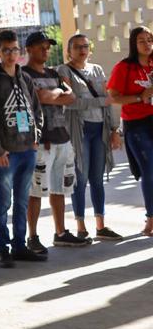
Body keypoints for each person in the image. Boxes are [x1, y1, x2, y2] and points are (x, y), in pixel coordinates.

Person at [0, 30, 45, 267]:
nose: (11, 54)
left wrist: (36, 136)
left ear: (20, 51)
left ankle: (19, 245)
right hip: (6, 152)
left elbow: (36, 110)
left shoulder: (25, 78)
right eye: (6, 50)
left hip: (28, 148)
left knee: (22, 200)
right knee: (4, 201)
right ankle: (2, 249)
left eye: (14, 49)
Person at [22, 31, 90, 251]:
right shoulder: (24, 74)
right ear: (29, 49)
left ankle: (60, 233)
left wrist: (54, 92)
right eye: (40, 46)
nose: (45, 50)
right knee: (36, 191)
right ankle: (32, 236)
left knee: (60, 188)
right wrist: (56, 93)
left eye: (47, 46)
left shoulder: (53, 73)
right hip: (41, 141)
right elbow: (40, 97)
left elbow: (71, 97)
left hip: (62, 137)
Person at [58, 33, 123, 241]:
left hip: (100, 129)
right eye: (77, 47)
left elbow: (109, 100)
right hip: (80, 130)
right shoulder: (63, 70)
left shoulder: (97, 69)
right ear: (69, 51)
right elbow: (70, 102)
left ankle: (101, 226)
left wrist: (114, 129)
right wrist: (99, 102)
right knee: (80, 178)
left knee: (97, 179)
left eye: (85, 46)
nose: (82, 50)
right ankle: (81, 227)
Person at [106, 25, 153, 237]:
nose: (147, 44)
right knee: (149, 171)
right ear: (134, 44)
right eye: (141, 40)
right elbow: (113, 97)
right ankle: (151, 219)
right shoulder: (124, 67)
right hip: (137, 124)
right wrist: (140, 97)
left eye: (150, 39)